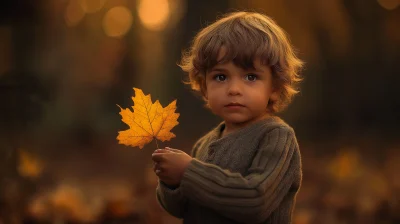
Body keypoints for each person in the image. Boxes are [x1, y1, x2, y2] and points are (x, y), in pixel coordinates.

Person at [152, 11, 304, 224]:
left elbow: (255, 201)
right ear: (204, 86)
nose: (234, 89)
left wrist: (189, 171)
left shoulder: (276, 137)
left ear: (275, 88)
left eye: (250, 77)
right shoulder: (203, 144)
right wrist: (172, 182)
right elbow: (182, 209)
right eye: (220, 77)